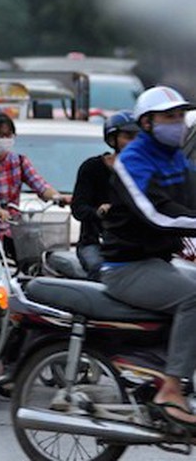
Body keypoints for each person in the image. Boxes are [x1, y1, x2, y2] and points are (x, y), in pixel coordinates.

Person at [99, 86, 196, 431]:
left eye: (180, 116)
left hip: (159, 262)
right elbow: (157, 214)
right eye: (169, 117)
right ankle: (171, 388)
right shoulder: (133, 160)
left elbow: (190, 201)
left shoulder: (176, 156)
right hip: (126, 268)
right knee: (193, 299)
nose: (178, 123)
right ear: (148, 122)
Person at [0, 113, 71, 260]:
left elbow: (39, 184)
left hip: (15, 231)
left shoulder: (20, 161)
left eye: (8, 135)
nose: (4, 139)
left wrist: (58, 197)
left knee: (36, 261)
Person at [70, 110, 138, 279]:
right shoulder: (92, 168)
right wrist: (99, 212)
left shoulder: (145, 171)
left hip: (134, 246)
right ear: (112, 139)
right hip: (95, 244)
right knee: (100, 271)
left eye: (139, 137)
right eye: (128, 136)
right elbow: (79, 208)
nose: (134, 142)